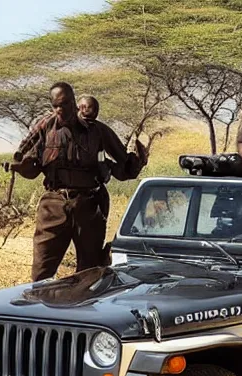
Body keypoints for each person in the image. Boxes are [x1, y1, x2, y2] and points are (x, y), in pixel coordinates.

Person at [10, 82, 147, 282]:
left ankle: (83, 311)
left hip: (89, 206)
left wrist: (137, 161)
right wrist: (22, 167)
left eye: (64, 104)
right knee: (41, 273)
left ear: (74, 103)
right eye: (55, 105)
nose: (60, 110)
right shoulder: (46, 129)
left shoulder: (98, 131)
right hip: (53, 206)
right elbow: (32, 169)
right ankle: (42, 310)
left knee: (89, 274)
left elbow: (124, 166)